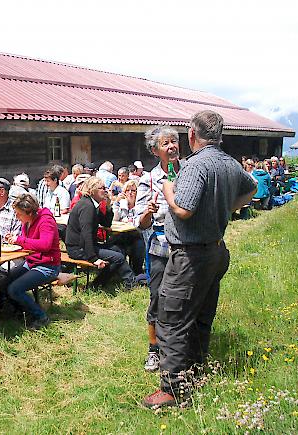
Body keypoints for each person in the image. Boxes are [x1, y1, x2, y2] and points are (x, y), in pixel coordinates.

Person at [143, 111, 256, 408]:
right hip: (216, 251)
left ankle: (173, 390)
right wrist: (224, 208)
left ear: (192, 134)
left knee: (171, 319)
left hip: (191, 255)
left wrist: (168, 192)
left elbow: (183, 210)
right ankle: (194, 370)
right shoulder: (230, 163)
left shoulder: (195, 165)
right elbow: (252, 188)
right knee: (201, 314)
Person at [134, 125, 184, 373]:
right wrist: (147, 212)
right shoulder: (148, 180)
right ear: (155, 151)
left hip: (186, 247)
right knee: (158, 298)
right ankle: (154, 350)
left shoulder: (189, 172)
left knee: (185, 298)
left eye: (174, 141)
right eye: (165, 143)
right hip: (160, 248)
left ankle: (180, 347)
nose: (172, 146)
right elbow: (140, 223)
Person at [65, 177, 138, 288]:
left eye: (105, 188)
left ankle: (116, 280)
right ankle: (100, 285)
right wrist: (94, 258)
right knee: (118, 257)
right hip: (78, 249)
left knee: (118, 249)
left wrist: (108, 205)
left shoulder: (92, 204)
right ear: (92, 190)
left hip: (84, 246)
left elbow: (106, 223)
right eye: (102, 188)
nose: (105, 190)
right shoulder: (87, 206)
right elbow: (86, 234)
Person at [4, 193, 61, 328]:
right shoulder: (27, 222)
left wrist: (20, 240)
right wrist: (15, 240)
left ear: (28, 212)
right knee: (3, 279)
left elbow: (45, 244)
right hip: (31, 262)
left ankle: (41, 316)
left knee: (14, 289)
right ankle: (20, 310)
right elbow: (29, 243)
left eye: (19, 214)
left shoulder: (45, 221)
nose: (17, 217)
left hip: (48, 265)